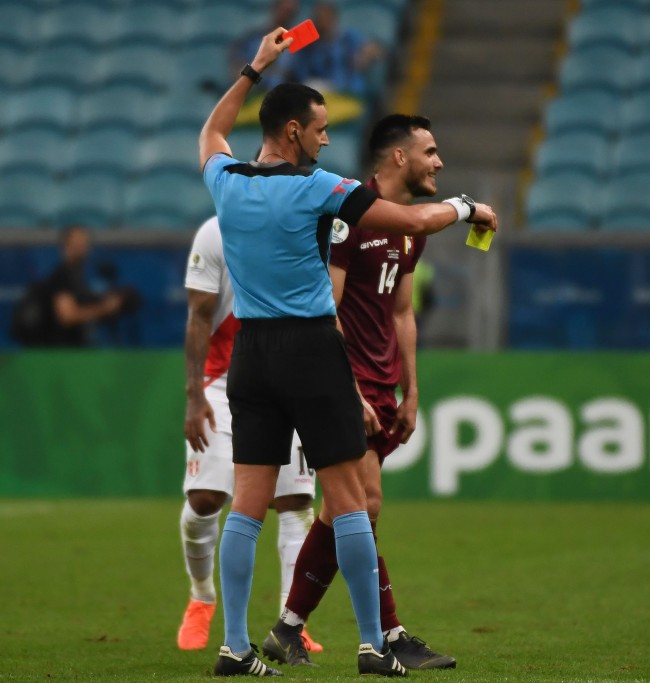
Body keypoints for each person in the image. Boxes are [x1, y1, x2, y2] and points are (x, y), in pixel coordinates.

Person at [198, 28, 497, 678]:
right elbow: (416, 221)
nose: (328, 138)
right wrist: (467, 205)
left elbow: (211, 132)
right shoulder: (318, 188)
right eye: (320, 128)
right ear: (294, 134)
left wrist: (255, 67)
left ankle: (236, 645)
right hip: (311, 347)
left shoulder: (225, 182)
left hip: (251, 350)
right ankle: (371, 642)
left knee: (246, 507)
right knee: (349, 500)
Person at [260, 114, 454, 670]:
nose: (439, 162)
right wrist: (349, 390)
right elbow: (328, 310)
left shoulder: (408, 228)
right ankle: (389, 637)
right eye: (431, 151)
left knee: (347, 513)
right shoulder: (348, 218)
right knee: (359, 506)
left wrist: (411, 390)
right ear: (399, 158)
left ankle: (287, 628)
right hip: (342, 380)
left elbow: (401, 309)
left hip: (382, 385)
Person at [178, 215, 323, 655]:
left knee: (295, 501)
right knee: (206, 499)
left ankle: (290, 622)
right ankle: (201, 596)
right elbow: (200, 314)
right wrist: (194, 394)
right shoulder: (215, 231)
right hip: (223, 382)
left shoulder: (305, 221)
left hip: (292, 377)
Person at [10, 225, 133, 347]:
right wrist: (104, 308)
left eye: (84, 243)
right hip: (60, 353)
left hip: (76, 350)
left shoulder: (78, 278)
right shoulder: (61, 276)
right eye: (76, 244)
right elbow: (67, 316)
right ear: (65, 247)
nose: (80, 248)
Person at [292, 2, 384, 124]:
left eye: (323, 17)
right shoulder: (310, 41)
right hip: (318, 90)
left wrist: (364, 55)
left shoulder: (347, 37)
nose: (319, 21)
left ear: (332, 17)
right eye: (317, 17)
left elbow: (376, 49)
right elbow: (285, 48)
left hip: (345, 92)